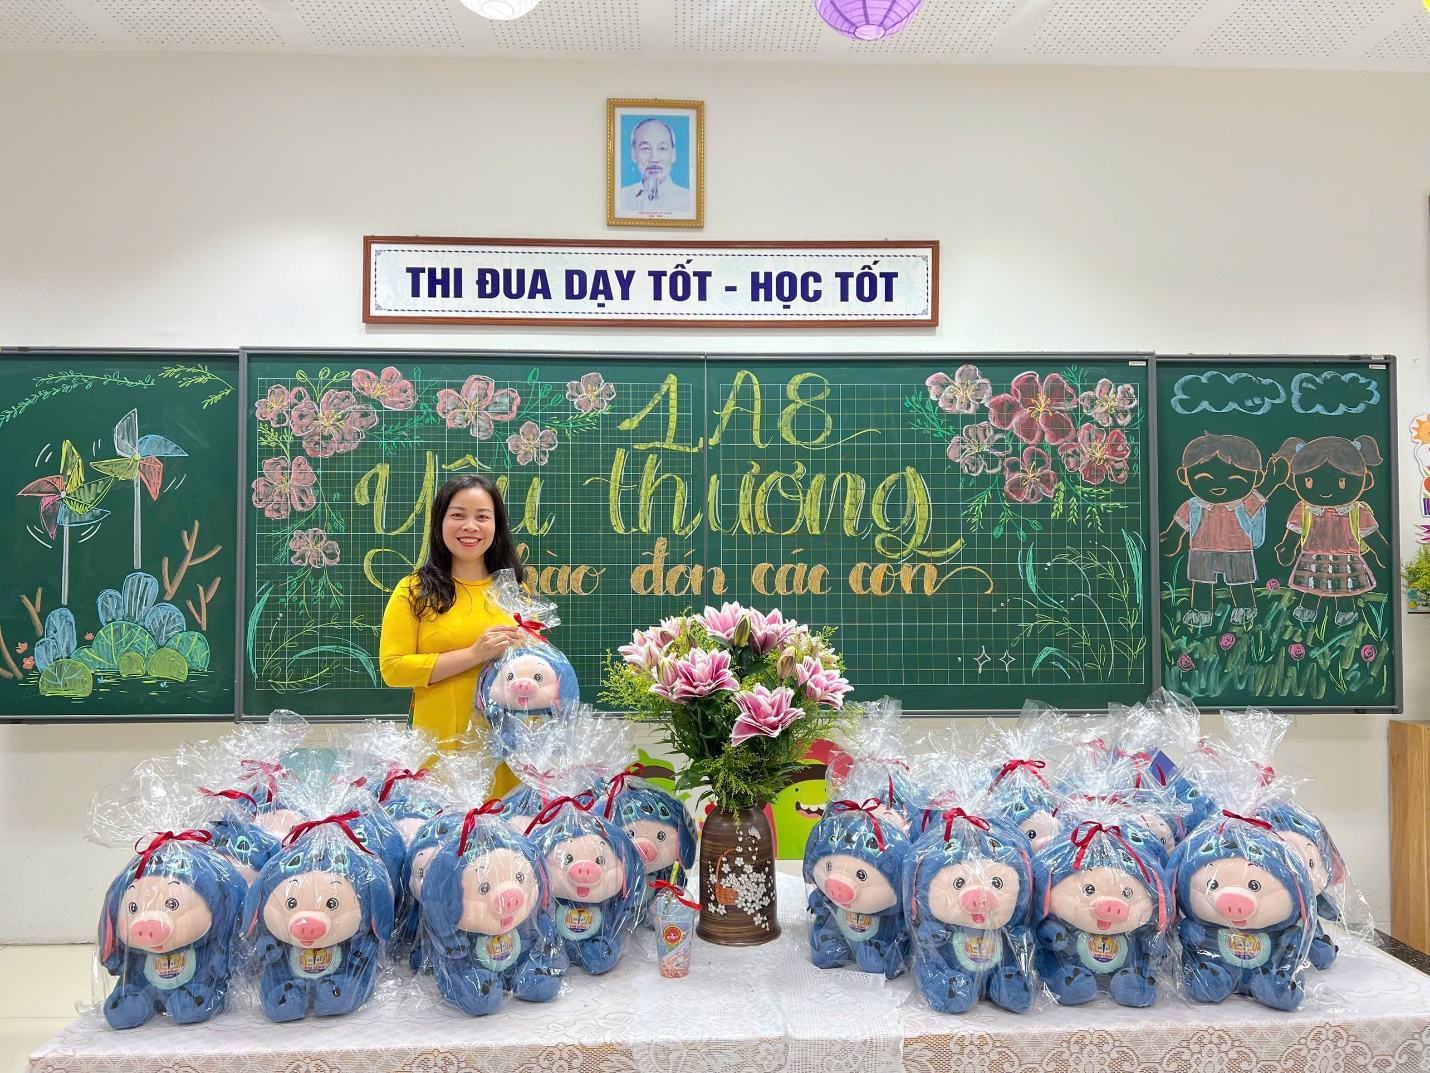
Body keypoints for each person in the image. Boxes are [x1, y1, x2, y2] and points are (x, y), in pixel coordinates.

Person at [380, 474, 527, 794]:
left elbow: (537, 670)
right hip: (439, 751)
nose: (470, 526)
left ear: (496, 526)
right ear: (440, 523)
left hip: (505, 750)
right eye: (458, 515)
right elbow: (393, 668)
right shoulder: (413, 591)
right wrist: (475, 654)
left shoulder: (514, 592)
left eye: (482, 517)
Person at [1273, 435, 1388, 627]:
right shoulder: (1304, 509)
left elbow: (1371, 535)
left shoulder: (1357, 511)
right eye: (1309, 481)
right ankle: (1308, 610)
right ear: (1295, 482)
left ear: (1365, 481)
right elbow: (1294, 532)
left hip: (1346, 557)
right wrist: (1287, 547)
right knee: (1312, 587)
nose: (1325, 489)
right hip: (1313, 555)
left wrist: (1383, 553)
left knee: (1344, 589)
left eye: (1342, 481)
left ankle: (1346, 612)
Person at [1161, 433, 1273, 629]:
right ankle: (1201, 611)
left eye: (1236, 478)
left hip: (1238, 549)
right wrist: (1172, 538)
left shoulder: (1248, 501)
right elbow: (1179, 525)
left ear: (1257, 478)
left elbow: (1259, 513)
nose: (1219, 485)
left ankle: (1246, 608)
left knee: (1240, 580)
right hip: (1202, 548)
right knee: (1201, 581)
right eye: (1204, 477)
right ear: (1183, 477)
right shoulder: (1194, 505)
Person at [617, 118, 693, 216]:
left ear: (673, 154)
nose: (654, 158)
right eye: (646, 148)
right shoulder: (621, 198)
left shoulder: (688, 200)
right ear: (634, 154)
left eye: (662, 148)